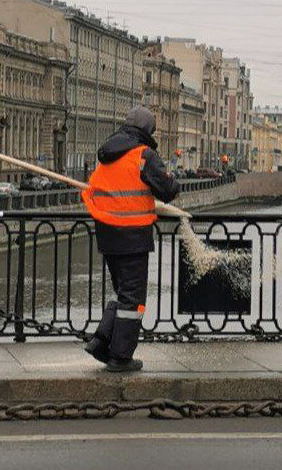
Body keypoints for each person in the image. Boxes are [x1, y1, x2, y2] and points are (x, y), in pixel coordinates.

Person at [81, 106, 179, 372]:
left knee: (124, 293)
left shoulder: (108, 153)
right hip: (133, 235)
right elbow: (167, 190)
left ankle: (101, 342)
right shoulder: (142, 155)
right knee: (133, 300)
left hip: (108, 234)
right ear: (148, 131)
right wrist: (172, 178)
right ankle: (120, 357)